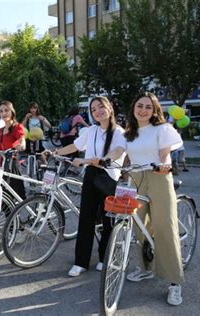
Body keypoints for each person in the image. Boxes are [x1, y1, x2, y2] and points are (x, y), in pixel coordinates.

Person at [52, 96, 126, 277]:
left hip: (109, 178)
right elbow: (74, 146)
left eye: (101, 107)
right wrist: (54, 152)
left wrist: (98, 160)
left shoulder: (119, 133)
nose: (97, 111)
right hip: (91, 175)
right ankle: (81, 261)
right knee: (86, 218)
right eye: (93, 109)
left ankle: (104, 257)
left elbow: (116, 153)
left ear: (110, 108)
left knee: (108, 221)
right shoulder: (91, 130)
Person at [123, 92, 185, 306]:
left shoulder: (162, 129)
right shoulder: (129, 132)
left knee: (164, 228)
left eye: (148, 107)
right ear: (133, 108)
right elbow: (119, 153)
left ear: (154, 110)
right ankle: (145, 268)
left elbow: (164, 152)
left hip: (158, 176)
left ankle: (175, 282)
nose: (143, 110)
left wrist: (164, 163)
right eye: (139, 105)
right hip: (136, 178)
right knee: (139, 227)